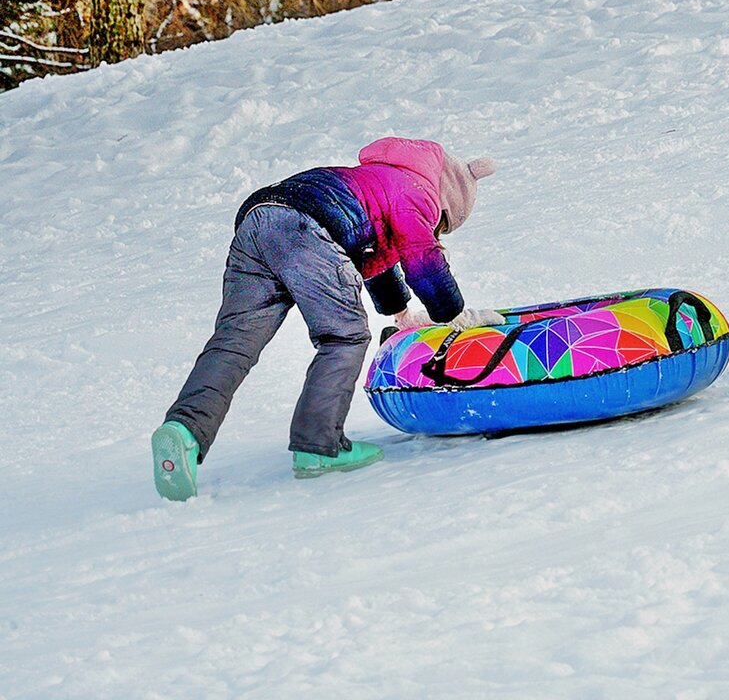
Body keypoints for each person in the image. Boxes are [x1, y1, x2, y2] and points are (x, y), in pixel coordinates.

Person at [150, 137, 502, 501]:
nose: (437, 229)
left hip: (259, 219)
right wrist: (456, 315)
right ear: (447, 202)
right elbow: (421, 258)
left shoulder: (377, 180)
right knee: (343, 336)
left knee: (234, 342)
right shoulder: (418, 191)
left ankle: (184, 432)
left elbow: (375, 257)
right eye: (443, 225)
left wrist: (402, 314)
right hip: (304, 227)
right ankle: (318, 446)